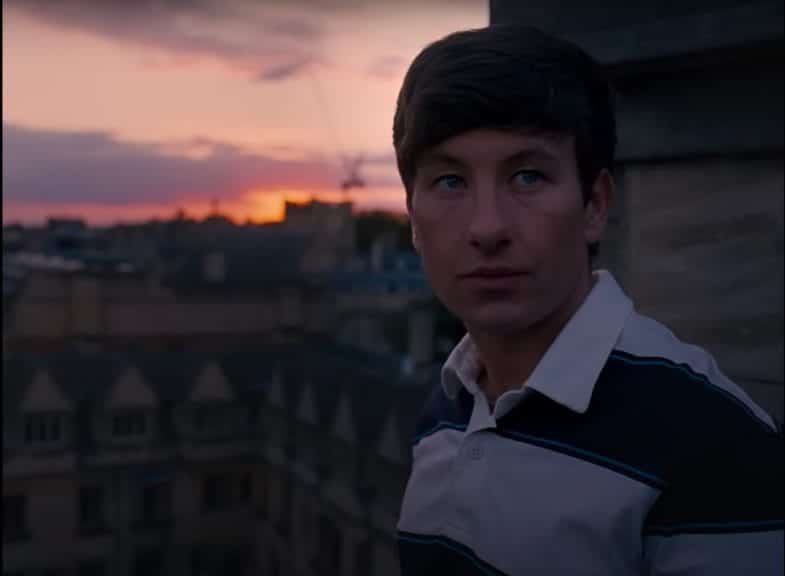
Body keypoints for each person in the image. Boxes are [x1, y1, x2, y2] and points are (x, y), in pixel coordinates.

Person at [392, 23, 783, 575]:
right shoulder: (448, 407)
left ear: (595, 206)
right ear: (412, 219)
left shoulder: (712, 440)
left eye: (527, 177)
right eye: (450, 182)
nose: (486, 227)